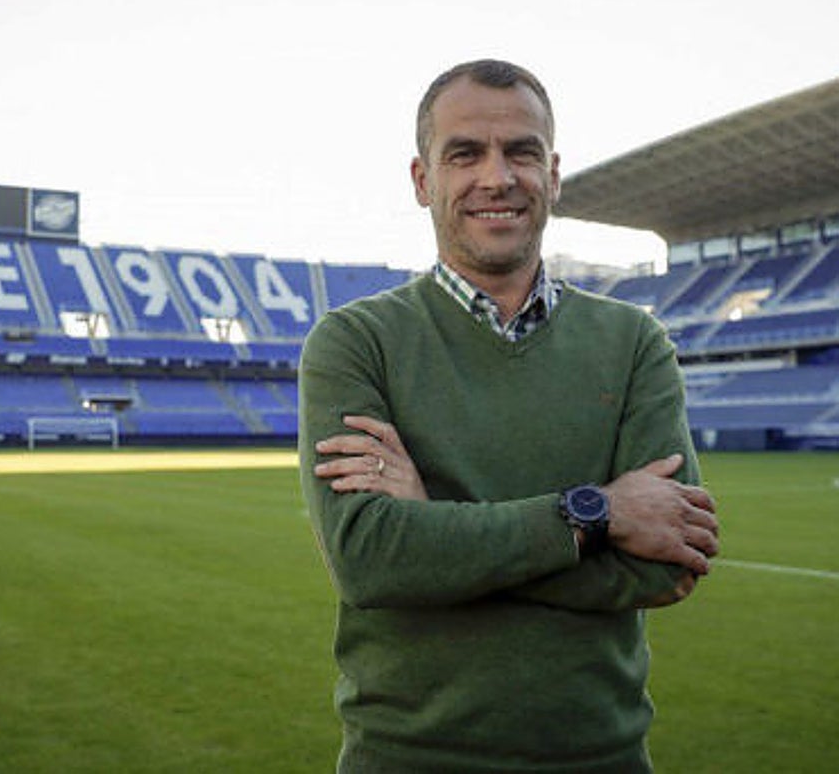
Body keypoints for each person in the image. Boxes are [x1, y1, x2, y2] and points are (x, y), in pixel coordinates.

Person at [297, 59, 719, 773]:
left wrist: (437, 535)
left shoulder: (633, 342)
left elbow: (666, 567)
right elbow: (370, 562)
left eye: (521, 151)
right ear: (422, 180)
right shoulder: (355, 341)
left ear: (552, 175)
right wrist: (599, 515)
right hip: (407, 760)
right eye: (465, 154)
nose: (497, 178)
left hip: (602, 759)